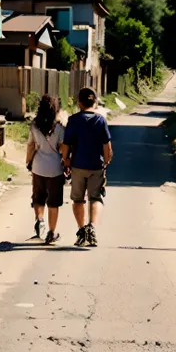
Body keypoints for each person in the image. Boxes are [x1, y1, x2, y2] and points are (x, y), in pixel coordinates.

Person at [61, 87, 112, 247]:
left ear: (79, 103)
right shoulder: (100, 120)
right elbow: (107, 147)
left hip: (77, 165)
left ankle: (82, 229)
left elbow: (65, 145)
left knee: (78, 199)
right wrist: (106, 162)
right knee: (95, 197)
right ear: (94, 102)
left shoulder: (74, 120)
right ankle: (92, 227)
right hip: (96, 165)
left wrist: (65, 160)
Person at [26, 94, 65, 245]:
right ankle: (51, 232)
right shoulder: (60, 127)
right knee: (53, 202)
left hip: (38, 166)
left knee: (38, 196)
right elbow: (63, 148)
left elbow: (30, 145)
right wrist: (66, 161)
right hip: (55, 169)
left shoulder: (34, 125)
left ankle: (40, 219)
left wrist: (28, 161)